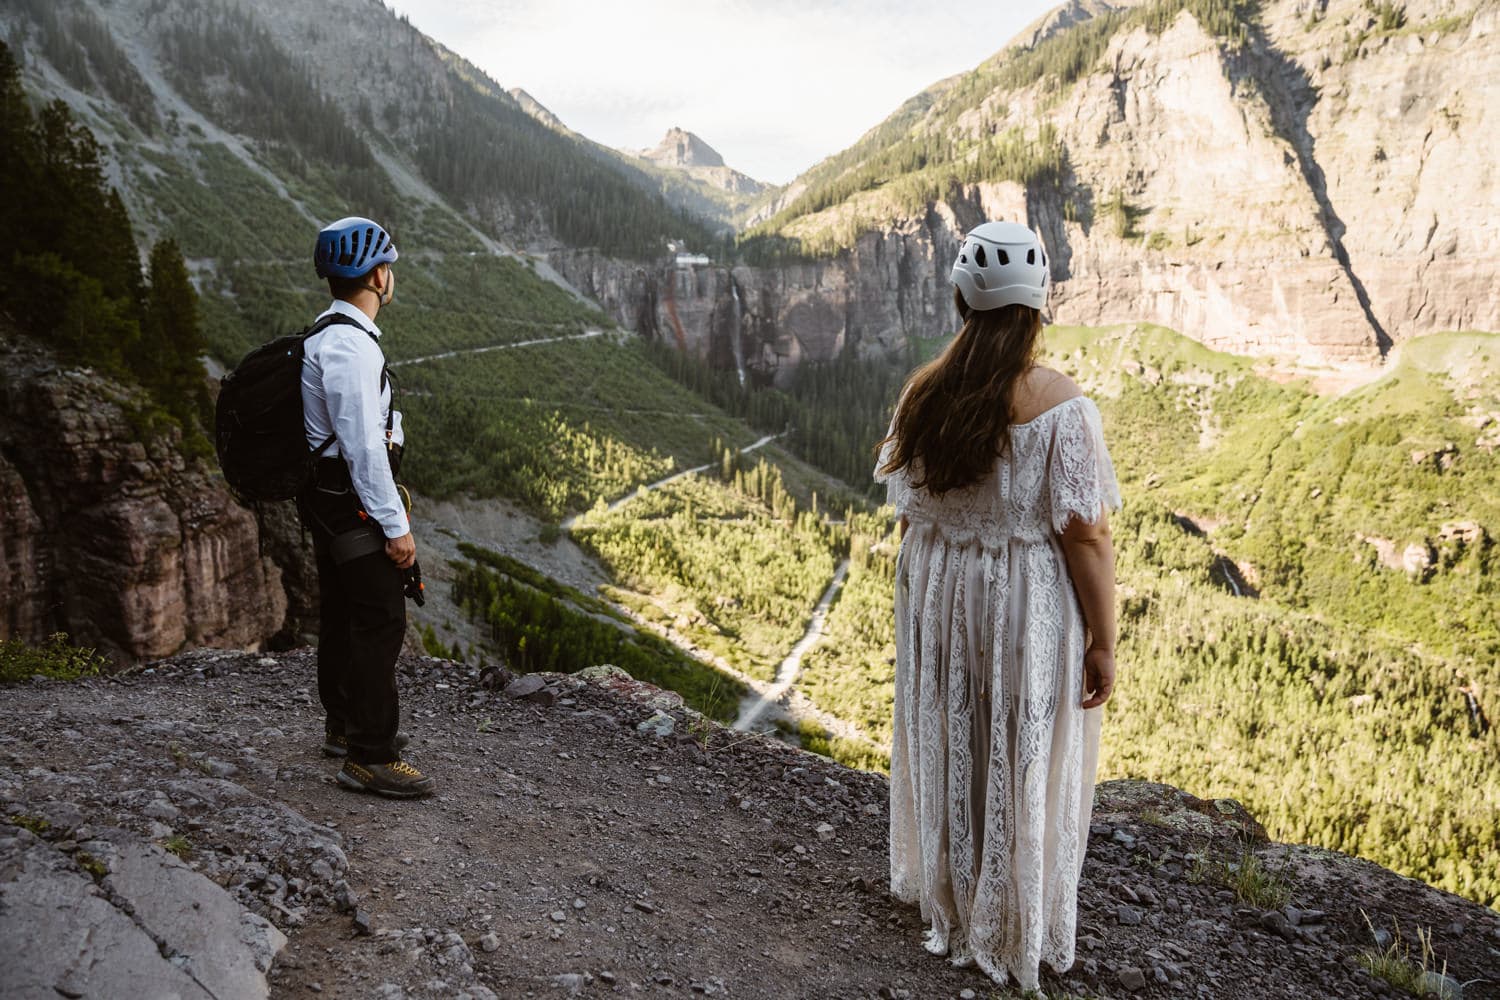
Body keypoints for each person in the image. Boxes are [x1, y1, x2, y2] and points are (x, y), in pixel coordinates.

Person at [875, 221, 1118, 989]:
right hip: (1019, 595)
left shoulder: (924, 392)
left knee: (956, 728)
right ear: (1038, 305)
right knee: (1019, 741)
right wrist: (1103, 641)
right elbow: (1085, 537)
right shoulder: (1060, 405)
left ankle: (952, 892)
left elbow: (912, 513)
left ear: (961, 297)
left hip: (940, 587)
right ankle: (1009, 912)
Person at [299, 215, 434, 799]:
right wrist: (396, 527)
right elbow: (360, 450)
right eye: (389, 267)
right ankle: (369, 756)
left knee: (342, 613)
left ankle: (344, 727)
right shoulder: (352, 348)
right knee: (381, 620)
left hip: (325, 502)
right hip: (353, 503)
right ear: (378, 276)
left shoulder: (323, 336)